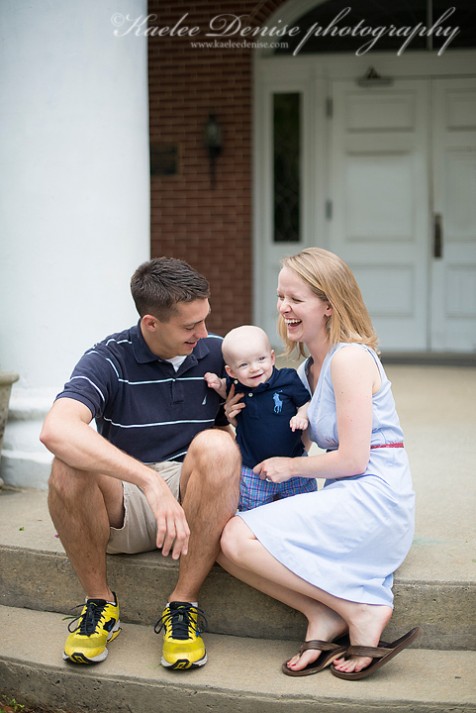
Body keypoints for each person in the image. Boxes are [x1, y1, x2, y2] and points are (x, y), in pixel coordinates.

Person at [218, 247, 420, 681]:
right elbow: (298, 433)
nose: (283, 309)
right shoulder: (309, 367)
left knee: (236, 535)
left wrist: (289, 468)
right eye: (280, 297)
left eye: (296, 299)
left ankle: (360, 610)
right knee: (225, 544)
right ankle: (322, 613)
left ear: (329, 305)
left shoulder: (349, 358)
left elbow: (352, 458)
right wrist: (240, 416)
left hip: (375, 499)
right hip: (346, 494)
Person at [40, 257, 241, 670]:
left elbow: (280, 404)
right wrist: (149, 482)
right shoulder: (108, 358)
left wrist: (244, 418)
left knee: (219, 446)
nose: (203, 335)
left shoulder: (219, 353)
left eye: (205, 321)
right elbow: (55, 429)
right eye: (190, 327)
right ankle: (100, 603)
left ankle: (182, 605)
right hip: (125, 502)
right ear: (151, 323)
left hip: (193, 500)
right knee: (66, 461)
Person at [204, 324, 317, 511]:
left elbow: (305, 402)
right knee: (254, 513)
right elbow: (225, 388)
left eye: (261, 359)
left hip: (293, 463)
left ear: (272, 357)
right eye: (244, 365)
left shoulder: (287, 380)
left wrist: (301, 415)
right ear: (231, 371)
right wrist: (217, 384)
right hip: (252, 470)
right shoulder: (237, 385)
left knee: (302, 511)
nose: (254, 369)